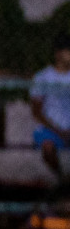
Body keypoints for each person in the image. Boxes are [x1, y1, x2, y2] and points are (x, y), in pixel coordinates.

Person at [29, 34, 70, 183]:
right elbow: (36, 111)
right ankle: (63, 181)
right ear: (58, 53)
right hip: (50, 130)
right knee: (48, 147)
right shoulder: (43, 77)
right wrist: (58, 130)